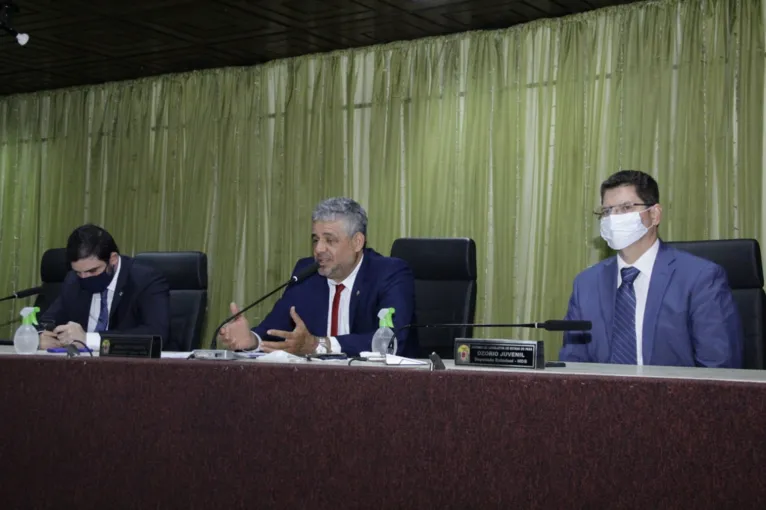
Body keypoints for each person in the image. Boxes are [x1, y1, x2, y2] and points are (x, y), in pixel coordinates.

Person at [559, 170, 743, 367]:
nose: (613, 218)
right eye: (607, 211)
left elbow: (719, 368)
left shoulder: (701, 279)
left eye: (625, 208)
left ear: (654, 215)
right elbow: (573, 365)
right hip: (601, 396)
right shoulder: (586, 284)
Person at [219, 197, 418, 357]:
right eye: (315, 240)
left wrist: (319, 345)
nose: (318, 249)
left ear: (357, 242)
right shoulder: (307, 273)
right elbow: (275, 329)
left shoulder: (389, 273)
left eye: (329, 240)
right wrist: (251, 340)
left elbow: (391, 340)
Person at [39, 224, 171, 351]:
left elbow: (156, 334)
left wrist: (88, 339)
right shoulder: (73, 281)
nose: (84, 277)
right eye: (79, 272)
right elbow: (47, 321)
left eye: (93, 271)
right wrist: (40, 337)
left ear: (112, 259)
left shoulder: (145, 279)